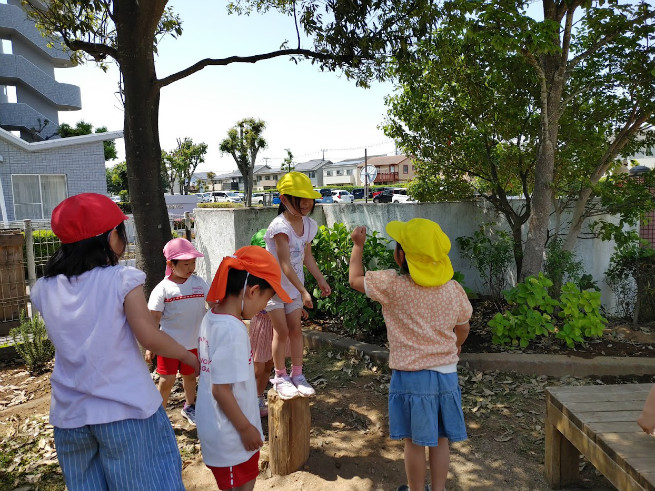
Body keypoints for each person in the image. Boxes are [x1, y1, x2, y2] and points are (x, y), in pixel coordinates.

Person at [30, 193, 198, 490]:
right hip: (126, 411)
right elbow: (149, 336)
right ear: (110, 238)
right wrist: (187, 356)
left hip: (70, 417)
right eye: (122, 232)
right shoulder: (120, 279)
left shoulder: (42, 288)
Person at [348, 218, 473, 491]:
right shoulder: (453, 290)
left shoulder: (392, 285)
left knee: (415, 442)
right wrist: (456, 346)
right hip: (446, 377)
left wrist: (358, 247)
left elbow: (355, 279)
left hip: (411, 378)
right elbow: (463, 328)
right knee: (441, 439)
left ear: (401, 255)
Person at [195, 246, 292, 491]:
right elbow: (221, 390)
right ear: (252, 291)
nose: (264, 307)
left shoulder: (213, 316)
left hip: (224, 430)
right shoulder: (232, 330)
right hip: (231, 438)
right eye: (266, 299)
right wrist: (246, 429)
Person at [265, 172, 331, 399]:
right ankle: (280, 376)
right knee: (281, 332)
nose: (306, 203)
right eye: (299, 198)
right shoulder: (279, 226)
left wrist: (320, 280)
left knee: (295, 330)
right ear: (284, 199)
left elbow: (307, 258)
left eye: (309, 198)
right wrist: (304, 292)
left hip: (294, 288)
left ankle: (297, 375)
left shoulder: (309, 225)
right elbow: (284, 264)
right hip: (273, 288)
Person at [145, 237, 209, 424]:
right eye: (186, 263)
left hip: (193, 343)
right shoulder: (162, 289)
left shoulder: (199, 283)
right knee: (167, 380)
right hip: (168, 346)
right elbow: (153, 319)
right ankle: (159, 416)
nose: (191, 267)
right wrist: (151, 346)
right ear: (170, 264)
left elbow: (213, 303)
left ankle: (190, 406)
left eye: (193, 263)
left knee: (190, 377)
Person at [248, 229, 305, 417]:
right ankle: (251, 399)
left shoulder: (280, 273)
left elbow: (287, 295)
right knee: (258, 365)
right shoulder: (252, 276)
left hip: (277, 324)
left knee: (270, 363)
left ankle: (259, 396)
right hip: (263, 324)